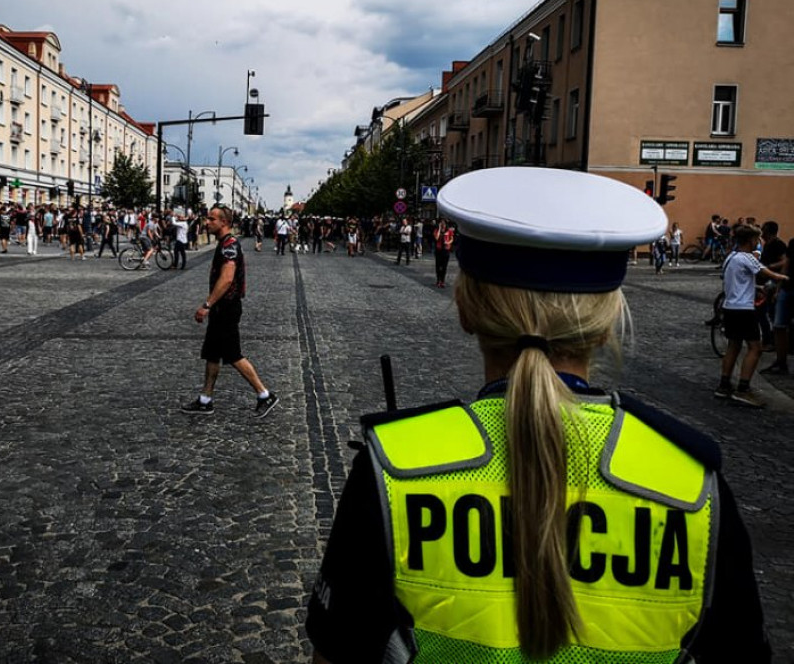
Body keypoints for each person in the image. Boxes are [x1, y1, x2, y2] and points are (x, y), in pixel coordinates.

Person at [307, 167, 772, 664]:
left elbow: (336, 653)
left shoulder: (394, 470)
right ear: (609, 318)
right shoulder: (692, 487)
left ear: (465, 307)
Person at [184, 206, 279, 418]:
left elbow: (227, 279)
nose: (207, 222)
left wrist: (206, 305)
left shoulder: (229, 246)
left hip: (226, 308)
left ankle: (264, 394)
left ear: (224, 223)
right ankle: (205, 399)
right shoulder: (225, 243)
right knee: (212, 354)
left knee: (233, 355)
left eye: (211, 219)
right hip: (221, 308)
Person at [715, 224, 788, 408]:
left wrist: (755, 289)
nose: (758, 243)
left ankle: (724, 385)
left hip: (730, 306)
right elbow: (767, 273)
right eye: (756, 240)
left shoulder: (731, 257)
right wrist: (784, 278)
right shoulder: (747, 258)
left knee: (733, 345)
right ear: (750, 241)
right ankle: (743, 389)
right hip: (743, 310)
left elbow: (738, 282)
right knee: (755, 348)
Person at [760, 232, 793, 376]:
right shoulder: (793, 243)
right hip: (787, 288)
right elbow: (787, 263)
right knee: (779, 326)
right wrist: (779, 289)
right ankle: (781, 362)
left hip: (788, 289)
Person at [433, 218, 454, 288]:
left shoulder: (449, 231)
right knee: (438, 266)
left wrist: (448, 242)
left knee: (444, 267)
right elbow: (436, 238)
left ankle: (442, 281)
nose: (443, 225)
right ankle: (438, 280)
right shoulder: (437, 230)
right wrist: (439, 228)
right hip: (438, 250)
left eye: (444, 223)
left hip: (446, 250)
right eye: (441, 223)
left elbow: (452, 239)